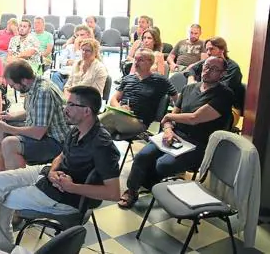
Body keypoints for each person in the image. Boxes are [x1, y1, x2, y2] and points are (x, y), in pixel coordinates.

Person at [0, 86, 120, 252]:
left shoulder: (102, 145)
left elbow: (113, 193)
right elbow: (61, 156)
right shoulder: (76, 130)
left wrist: (72, 187)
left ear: (86, 111)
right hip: (51, 175)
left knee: (0, 196)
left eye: (71, 105)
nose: (65, 109)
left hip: (65, 197)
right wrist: (52, 171)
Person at [118, 56, 234, 208]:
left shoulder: (224, 94)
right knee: (142, 156)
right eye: (206, 66)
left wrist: (169, 116)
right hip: (175, 135)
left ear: (223, 74)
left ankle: (151, 185)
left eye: (214, 69)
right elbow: (172, 117)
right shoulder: (189, 88)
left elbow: (195, 118)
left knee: (162, 165)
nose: (207, 71)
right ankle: (132, 190)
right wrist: (167, 130)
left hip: (198, 143)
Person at [0, 60, 69, 172]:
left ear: (24, 80)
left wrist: (8, 128)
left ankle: (18, 180)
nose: (12, 88)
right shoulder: (33, 85)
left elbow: (38, 132)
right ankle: (1, 173)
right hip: (41, 131)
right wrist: (12, 117)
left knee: (9, 144)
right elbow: (33, 112)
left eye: (13, 85)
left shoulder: (43, 92)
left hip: (55, 141)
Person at [100, 49, 177, 136]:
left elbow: (177, 100)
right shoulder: (128, 78)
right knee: (102, 130)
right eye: (135, 59)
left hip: (140, 122)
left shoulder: (160, 80)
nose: (136, 62)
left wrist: (171, 119)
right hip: (120, 115)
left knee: (106, 119)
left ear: (150, 62)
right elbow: (114, 99)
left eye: (140, 60)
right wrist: (120, 108)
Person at [51, 25, 94, 89]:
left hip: (81, 75)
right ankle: (63, 96)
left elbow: (81, 64)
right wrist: (71, 62)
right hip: (67, 73)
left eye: (82, 35)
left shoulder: (91, 49)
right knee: (55, 76)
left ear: (88, 35)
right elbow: (61, 60)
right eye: (77, 35)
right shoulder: (70, 47)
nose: (79, 38)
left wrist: (77, 49)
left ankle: (65, 96)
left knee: (73, 80)